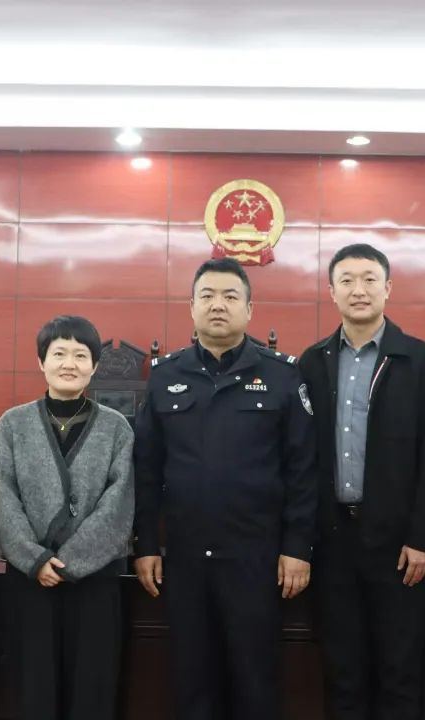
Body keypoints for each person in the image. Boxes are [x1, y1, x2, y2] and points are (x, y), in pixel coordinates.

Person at [133, 257, 317, 720]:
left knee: (255, 681)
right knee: (192, 681)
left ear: (249, 309)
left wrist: (298, 547)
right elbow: (147, 469)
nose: (218, 305)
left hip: (257, 558)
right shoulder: (165, 375)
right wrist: (146, 545)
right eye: (208, 296)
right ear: (191, 307)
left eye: (230, 297)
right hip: (186, 559)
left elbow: (303, 468)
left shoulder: (282, 375)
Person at [298, 243, 425, 720]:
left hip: (400, 548)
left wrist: (424, 538)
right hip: (334, 543)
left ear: (388, 288)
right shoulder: (313, 361)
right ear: (331, 292)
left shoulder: (420, 361)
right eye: (346, 280)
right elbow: (300, 457)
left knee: (400, 673)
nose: (359, 289)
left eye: (369, 279)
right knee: (343, 673)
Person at [0, 315, 134, 720]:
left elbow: (119, 502)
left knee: (92, 686)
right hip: (30, 579)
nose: (69, 363)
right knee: (34, 685)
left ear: (94, 365)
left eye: (80, 355)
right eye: (59, 353)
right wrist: (35, 559)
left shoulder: (117, 427)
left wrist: (70, 562)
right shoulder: (13, 423)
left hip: (95, 580)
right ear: (41, 361)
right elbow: (3, 496)